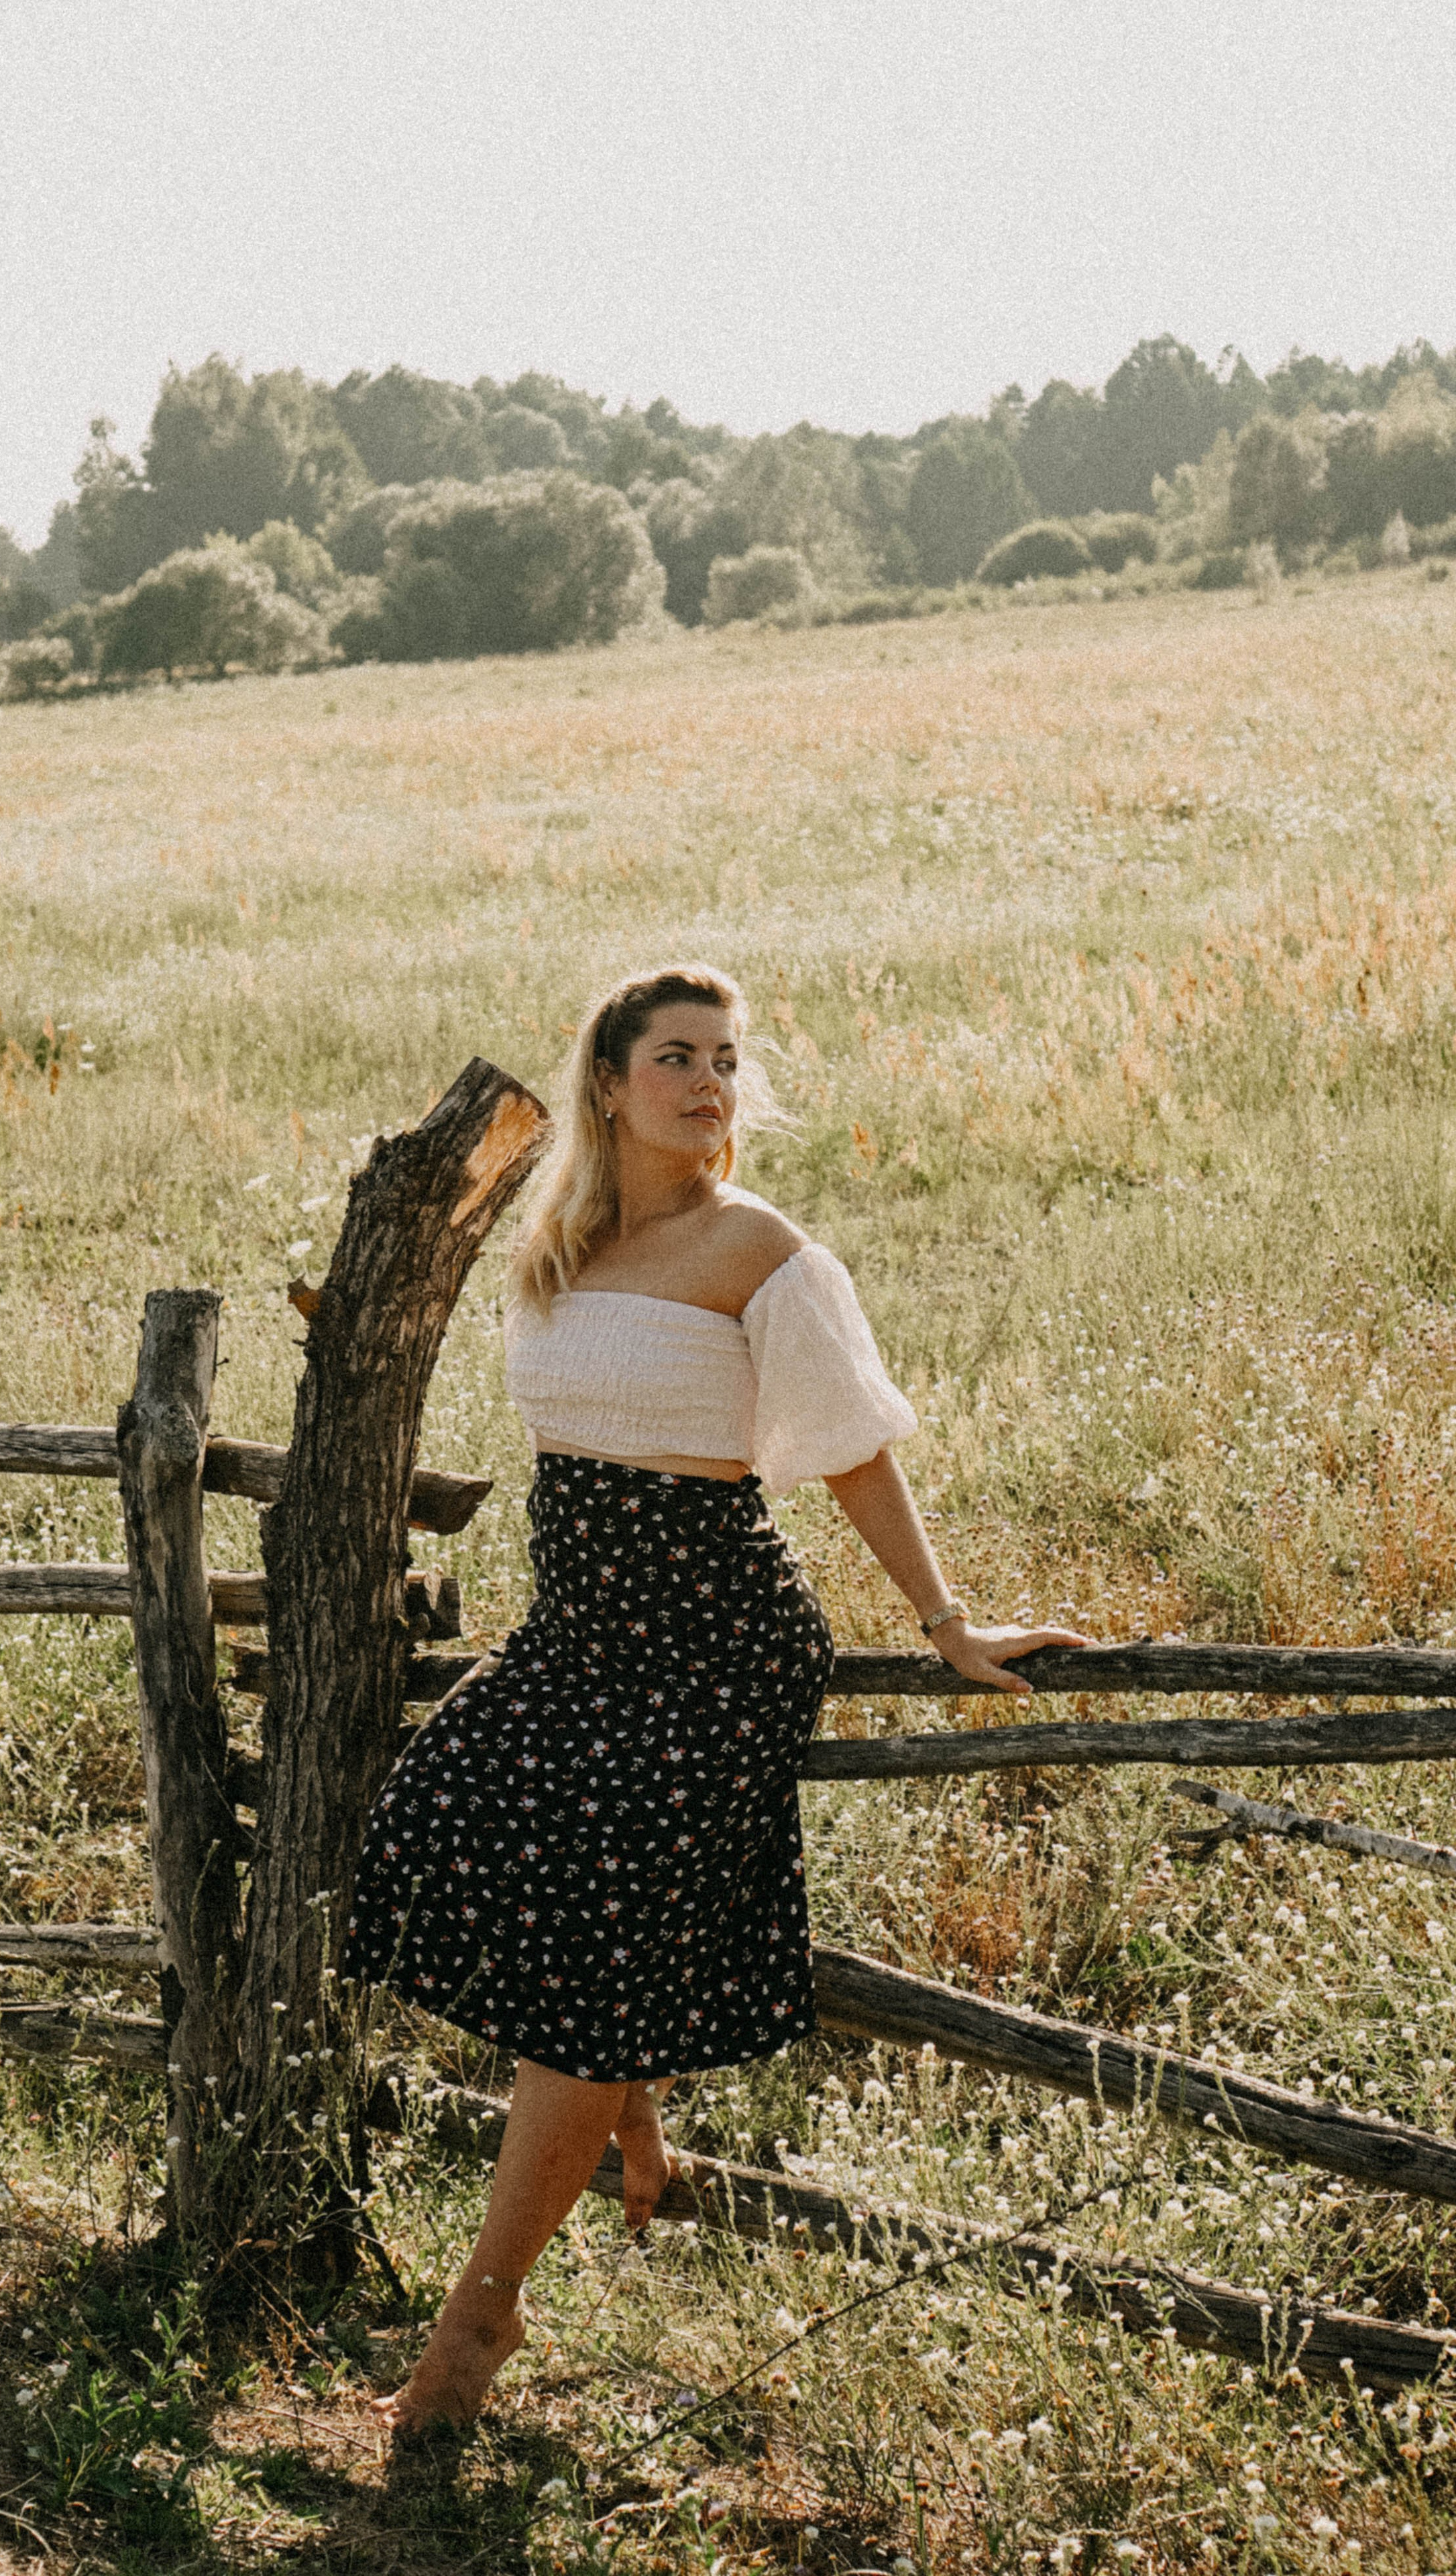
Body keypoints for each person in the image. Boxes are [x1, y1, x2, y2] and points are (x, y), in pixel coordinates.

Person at [343, 963, 1088, 2437]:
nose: (707, 1082)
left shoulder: (761, 1249)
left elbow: (852, 1448)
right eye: (675, 1056)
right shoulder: (558, 1244)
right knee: (430, 1822)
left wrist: (942, 1622)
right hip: (580, 1631)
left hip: (710, 1641)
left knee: (574, 1986)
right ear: (607, 1080)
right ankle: (633, 2113)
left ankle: (475, 2322)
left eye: (725, 1060)